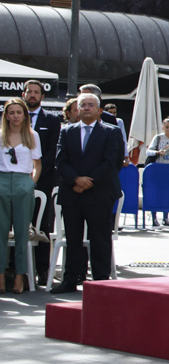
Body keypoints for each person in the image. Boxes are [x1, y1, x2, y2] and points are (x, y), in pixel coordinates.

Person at [51, 93, 124, 294]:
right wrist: (75, 180)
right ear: (77, 109)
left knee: (100, 239)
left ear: (99, 110)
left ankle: (101, 281)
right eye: (82, 105)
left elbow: (112, 162)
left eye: (91, 105)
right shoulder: (66, 131)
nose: (86, 108)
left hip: (99, 194)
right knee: (73, 240)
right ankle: (70, 279)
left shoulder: (111, 132)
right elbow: (60, 161)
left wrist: (87, 182)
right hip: (72, 193)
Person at [0, 99, 42, 294]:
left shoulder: (32, 136)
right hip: (2, 181)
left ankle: (20, 276)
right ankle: (0, 276)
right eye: (12, 112)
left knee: (22, 233)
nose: (15, 116)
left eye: (19, 112)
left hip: (23, 182)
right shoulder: (0, 135)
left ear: (25, 115)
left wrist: (30, 183)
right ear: (6, 115)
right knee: (0, 232)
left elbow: (37, 164)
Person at [23, 80, 60, 286]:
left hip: (43, 182)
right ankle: (16, 270)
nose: (33, 95)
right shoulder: (11, 118)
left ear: (42, 96)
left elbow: (53, 151)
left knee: (42, 227)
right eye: (29, 92)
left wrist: (34, 172)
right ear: (23, 94)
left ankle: (43, 270)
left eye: (36, 92)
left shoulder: (52, 120)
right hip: (15, 180)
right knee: (16, 226)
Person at [146, 117, 169, 228]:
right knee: (157, 194)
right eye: (166, 127)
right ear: (163, 127)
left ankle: (165, 217)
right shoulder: (158, 138)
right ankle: (154, 218)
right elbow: (148, 151)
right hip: (158, 169)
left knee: (168, 194)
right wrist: (158, 152)